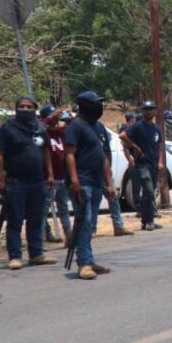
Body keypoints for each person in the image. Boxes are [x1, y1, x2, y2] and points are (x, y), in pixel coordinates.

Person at [0, 95, 57, 270]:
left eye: (29, 106)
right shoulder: (8, 128)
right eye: (22, 106)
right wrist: (0, 178)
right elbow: (0, 154)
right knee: (15, 219)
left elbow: (46, 153)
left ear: (34, 108)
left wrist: (50, 175)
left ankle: (36, 254)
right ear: (16, 108)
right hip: (15, 181)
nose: (25, 109)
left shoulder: (40, 128)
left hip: (37, 181)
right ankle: (15, 256)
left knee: (36, 219)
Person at [64, 91, 116, 280]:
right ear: (84, 105)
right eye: (95, 103)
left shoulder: (99, 127)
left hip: (96, 182)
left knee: (90, 224)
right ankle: (83, 264)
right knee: (84, 222)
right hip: (82, 182)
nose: (99, 107)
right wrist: (75, 180)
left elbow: (103, 157)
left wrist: (109, 183)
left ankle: (89, 260)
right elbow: (69, 154)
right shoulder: (75, 127)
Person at [121, 101, 165, 231]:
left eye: (151, 109)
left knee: (148, 193)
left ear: (155, 111)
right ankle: (148, 220)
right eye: (146, 109)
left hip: (153, 165)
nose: (149, 111)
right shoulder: (137, 126)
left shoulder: (156, 128)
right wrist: (134, 146)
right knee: (149, 191)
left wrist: (160, 162)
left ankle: (147, 220)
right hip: (142, 164)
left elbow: (159, 147)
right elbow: (122, 135)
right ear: (143, 111)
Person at [95, 121, 133, 237]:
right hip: (91, 172)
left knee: (113, 198)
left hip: (104, 171)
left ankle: (118, 226)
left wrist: (109, 168)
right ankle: (91, 229)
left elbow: (107, 151)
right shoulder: (82, 127)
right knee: (93, 201)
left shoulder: (100, 127)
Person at [41, 108, 73, 245]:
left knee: (63, 208)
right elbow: (39, 127)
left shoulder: (62, 132)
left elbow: (72, 128)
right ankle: (40, 240)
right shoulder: (42, 133)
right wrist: (49, 118)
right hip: (48, 178)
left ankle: (69, 236)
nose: (55, 119)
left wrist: (70, 118)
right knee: (43, 209)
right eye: (53, 116)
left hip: (63, 176)